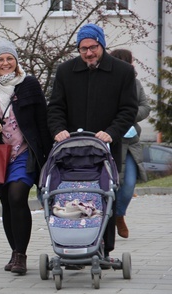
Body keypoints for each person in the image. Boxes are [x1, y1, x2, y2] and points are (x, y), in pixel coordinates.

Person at [47, 23, 138, 262]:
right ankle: (73, 245)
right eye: (83, 48)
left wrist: (112, 132)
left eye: (93, 47)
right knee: (70, 194)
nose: (88, 53)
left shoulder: (122, 72)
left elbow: (128, 109)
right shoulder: (66, 71)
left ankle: (104, 249)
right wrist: (58, 130)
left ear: (102, 45)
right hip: (71, 148)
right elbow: (55, 106)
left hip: (105, 147)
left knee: (105, 193)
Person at [0, 39, 53, 275]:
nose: (5, 63)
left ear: (16, 61)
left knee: (17, 196)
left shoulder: (29, 85)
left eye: (9, 58)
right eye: (0, 59)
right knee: (6, 201)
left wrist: (48, 157)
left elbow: (42, 122)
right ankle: (15, 252)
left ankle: (21, 255)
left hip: (25, 153)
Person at [110, 49, 151, 238]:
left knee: (128, 185)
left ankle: (119, 215)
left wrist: (128, 115)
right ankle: (107, 221)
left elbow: (145, 106)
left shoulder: (135, 83)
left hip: (130, 141)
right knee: (111, 184)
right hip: (110, 141)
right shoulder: (105, 82)